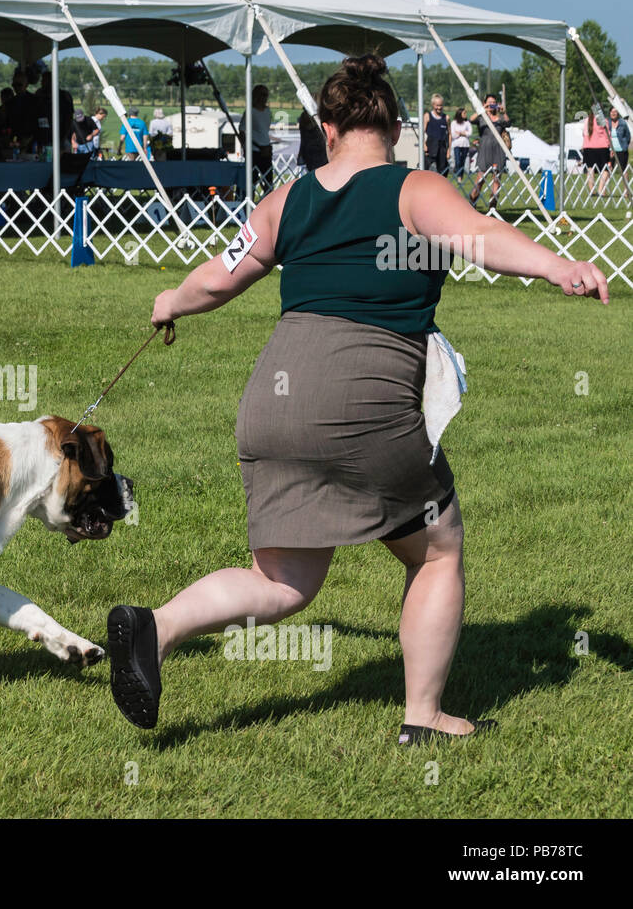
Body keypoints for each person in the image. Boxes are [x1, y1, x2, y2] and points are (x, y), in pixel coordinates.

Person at [105, 54, 609, 745]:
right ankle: (423, 717)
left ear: (327, 125)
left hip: (273, 400)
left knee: (282, 580)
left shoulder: (288, 199)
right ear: (396, 126)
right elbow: (481, 235)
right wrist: (558, 264)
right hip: (362, 393)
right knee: (436, 548)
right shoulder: (415, 187)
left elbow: (220, 276)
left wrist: (169, 302)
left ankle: (155, 626)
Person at [468, 94, 509, 210]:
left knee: (496, 180)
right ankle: (472, 205)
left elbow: (508, 123)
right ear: (485, 103)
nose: (491, 105)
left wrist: (503, 112)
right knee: (480, 180)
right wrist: (483, 108)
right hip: (484, 151)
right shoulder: (481, 117)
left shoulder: (500, 118)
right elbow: (471, 119)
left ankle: (492, 210)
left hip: (498, 151)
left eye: (493, 102)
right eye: (489, 102)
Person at [239, 84, 273, 194]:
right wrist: (246, 148)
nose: (265, 97)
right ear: (256, 95)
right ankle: (248, 205)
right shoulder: (250, 111)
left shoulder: (268, 111)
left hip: (266, 149)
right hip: (254, 150)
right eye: (263, 94)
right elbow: (242, 131)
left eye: (266, 95)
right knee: (251, 182)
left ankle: (269, 207)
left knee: (268, 182)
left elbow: (265, 130)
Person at [581, 110, 611, 197]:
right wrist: (609, 146)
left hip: (588, 148)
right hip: (602, 147)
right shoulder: (603, 120)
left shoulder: (587, 120)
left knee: (590, 169)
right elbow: (607, 134)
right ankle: (600, 190)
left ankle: (592, 190)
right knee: (605, 170)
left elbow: (584, 134)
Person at [423, 93, 449, 175]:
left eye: (441, 105)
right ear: (433, 105)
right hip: (430, 146)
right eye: (437, 105)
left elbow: (450, 134)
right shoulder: (427, 116)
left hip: (442, 147)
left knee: (443, 171)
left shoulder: (446, 118)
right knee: (425, 170)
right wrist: (424, 145)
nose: (439, 107)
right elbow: (422, 132)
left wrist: (449, 150)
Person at [450, 107, 472, 179]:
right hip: (456, 144)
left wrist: (460, 133)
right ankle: (457, 173)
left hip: (465, 145)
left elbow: (470, 133)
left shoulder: (467, 123)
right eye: (464, 113)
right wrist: (463, 133)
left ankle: (460, 176)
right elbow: (453, 134)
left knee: (463, 160)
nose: (466, 114)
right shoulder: (454, 123)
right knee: (458, 160)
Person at [611, 107, 630, 174]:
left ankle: (626, 184)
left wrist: (625, 145)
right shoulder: (608, 123)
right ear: (610, 113)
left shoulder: (623, 123)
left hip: (622, 150)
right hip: (611, 150)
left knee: (623, 169)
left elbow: (628, 136)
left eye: (615, 111)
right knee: (608, 169)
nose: (613, 113)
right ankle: (607, 184)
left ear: (618, 113)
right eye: (612, 111)